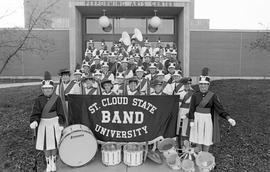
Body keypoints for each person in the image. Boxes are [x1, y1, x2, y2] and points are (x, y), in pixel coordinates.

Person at [189, 68, 236, 152]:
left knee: (207, 139)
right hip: (197, 119)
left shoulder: (212, 96)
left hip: (207, 120)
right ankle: (199, 156)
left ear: (208, 85)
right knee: (198, 139)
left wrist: (229, 118)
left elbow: (220, 109)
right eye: (201, 84)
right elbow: (192, 109)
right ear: (199, 85)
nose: (203, 86)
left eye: (205, 84)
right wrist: (192, 120)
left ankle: (205, 157)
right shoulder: (195, 95)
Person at [30, 71, 65, 172]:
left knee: (54, 143)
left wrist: (61, 123)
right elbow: (36, 112)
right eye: (45, 89)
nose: (47, 90)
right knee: (46, 144)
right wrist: (34, 121)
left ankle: (53, 162)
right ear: (42, 89)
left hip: (54, 123)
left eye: (49, 88)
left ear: (52, 89)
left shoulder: (57, 99)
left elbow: (60, 112)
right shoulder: (38, 99)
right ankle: (48, 164)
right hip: (43, 124)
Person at [176, 77, 194, 147]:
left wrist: (188, 114)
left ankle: (187, 147)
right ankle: (179, 146)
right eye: (186, 83)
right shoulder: (179, 93)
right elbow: (177, 104)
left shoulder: (194, 93)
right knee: (179, 129)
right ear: (184, 84)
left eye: (189, 83)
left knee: (187, 129)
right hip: (180, 112)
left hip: (189, 112)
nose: (188, 85)